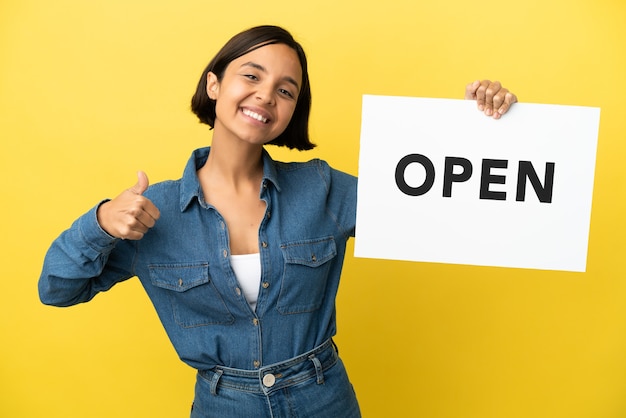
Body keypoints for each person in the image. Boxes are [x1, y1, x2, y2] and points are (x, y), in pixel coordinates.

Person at [38, 25, 517, 418]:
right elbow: (56, 291)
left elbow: (443, 215)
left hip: (323, 399)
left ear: (291, 111)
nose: (266, 96)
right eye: (251, 76)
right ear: (214, 85)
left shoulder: (323, 188)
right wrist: (99, 222)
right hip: (222, 406)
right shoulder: (153, 211)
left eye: (285, 91)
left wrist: (481, 129)